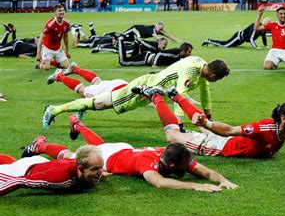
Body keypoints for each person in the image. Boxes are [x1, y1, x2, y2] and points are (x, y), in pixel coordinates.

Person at [24, 116, 237, 192]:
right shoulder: (148, 163)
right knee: (72, 157)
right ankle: (41, 146)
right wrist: (197, 187)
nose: (189, 168)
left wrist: (223, 180)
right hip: (110, 159)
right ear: (171, 167)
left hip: (123, 149)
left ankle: (78, 125)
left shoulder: (173, 153)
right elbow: (160, 183)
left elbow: (204, 170)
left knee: (101, 145)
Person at [42, 56, 230, 130]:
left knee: (98, 101)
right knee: (98, 103)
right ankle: (54, 109)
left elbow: (205, 91)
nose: (215, 82)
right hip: (142, 89)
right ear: (213, 74)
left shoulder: (202, 66)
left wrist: (208, 116)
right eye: (218, 79)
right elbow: (177, 97)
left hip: (148, 89)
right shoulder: (190, 72)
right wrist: (180, 127)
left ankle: (66, 109)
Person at [132, 85, 285, 158]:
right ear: (283, 119)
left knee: (202, 123)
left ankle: (175, 95)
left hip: (231, 141)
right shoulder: (265, 127)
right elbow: (230, 130)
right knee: (172, 136)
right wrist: (208, 126)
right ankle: (155, 96)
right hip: (221, 145)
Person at [0, 144, 103, 196]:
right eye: (95, 169)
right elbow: (20, 181)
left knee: (11, 162)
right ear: (81, 168)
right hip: (23, 170)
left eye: (101, 167)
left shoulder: (82, 164)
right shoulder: (61, 179)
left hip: (43, 163)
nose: (100, 172)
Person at [36, 4, 71, 70]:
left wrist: (67, 51)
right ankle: (40, 64)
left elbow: (65, 37)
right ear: (55, 13)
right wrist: (38, 53)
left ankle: (54, 62)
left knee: (67, 66)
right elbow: (41, 38)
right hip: (47, 49)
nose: (62, 12)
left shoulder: (66, 23)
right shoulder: (50, 24)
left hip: (58, 49)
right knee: (46, 68)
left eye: (63, 10)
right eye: (59, 11)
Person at [202, 19, 269, 48]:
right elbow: (251, 38)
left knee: (226, 44)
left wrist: (265, 45)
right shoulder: (255, 26)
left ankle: (214, 41)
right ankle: (209, 41)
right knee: (225, 45)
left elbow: (264, 38)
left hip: (242, 40)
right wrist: (256, 47)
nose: (265, 28)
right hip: (238, 37)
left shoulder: (263, 30)